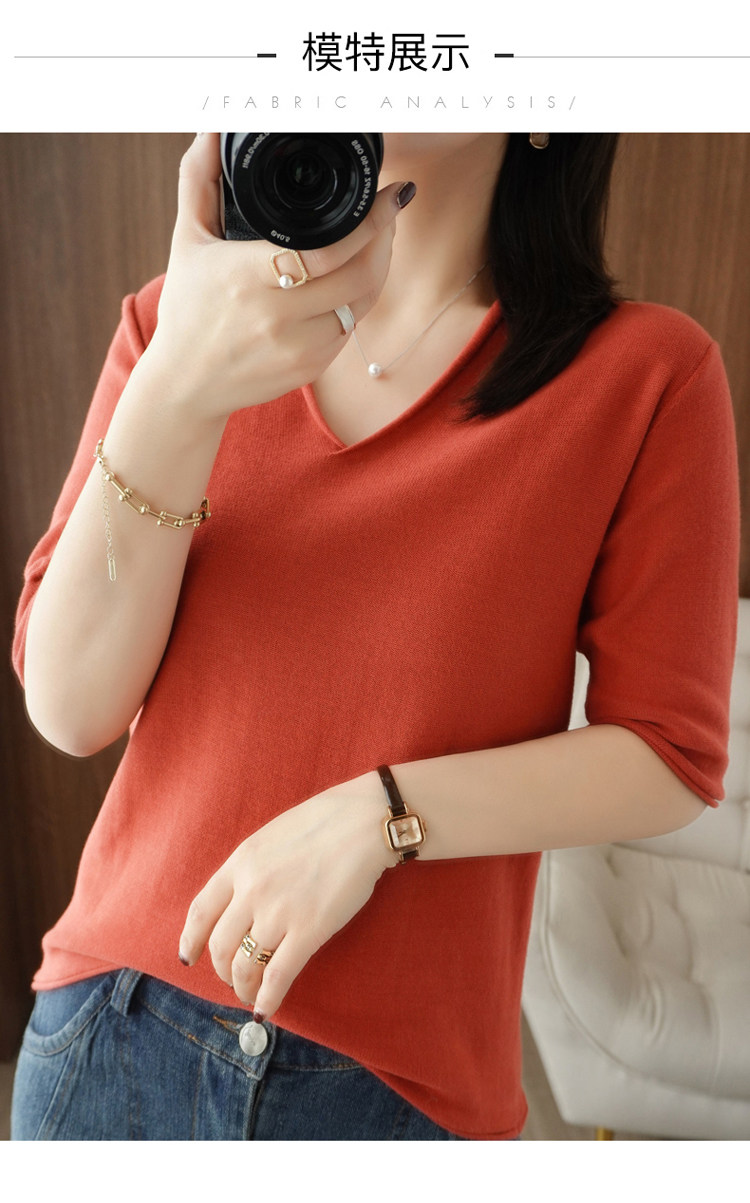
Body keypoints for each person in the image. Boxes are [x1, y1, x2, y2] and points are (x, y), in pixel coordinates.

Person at [10, 132, 740, 1141]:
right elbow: (70, 706)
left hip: (398, 1094)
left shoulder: (645, 376)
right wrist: (177, 381)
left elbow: (669, 753)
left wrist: (382, 815)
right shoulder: (180, 324)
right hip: (116, 1034)